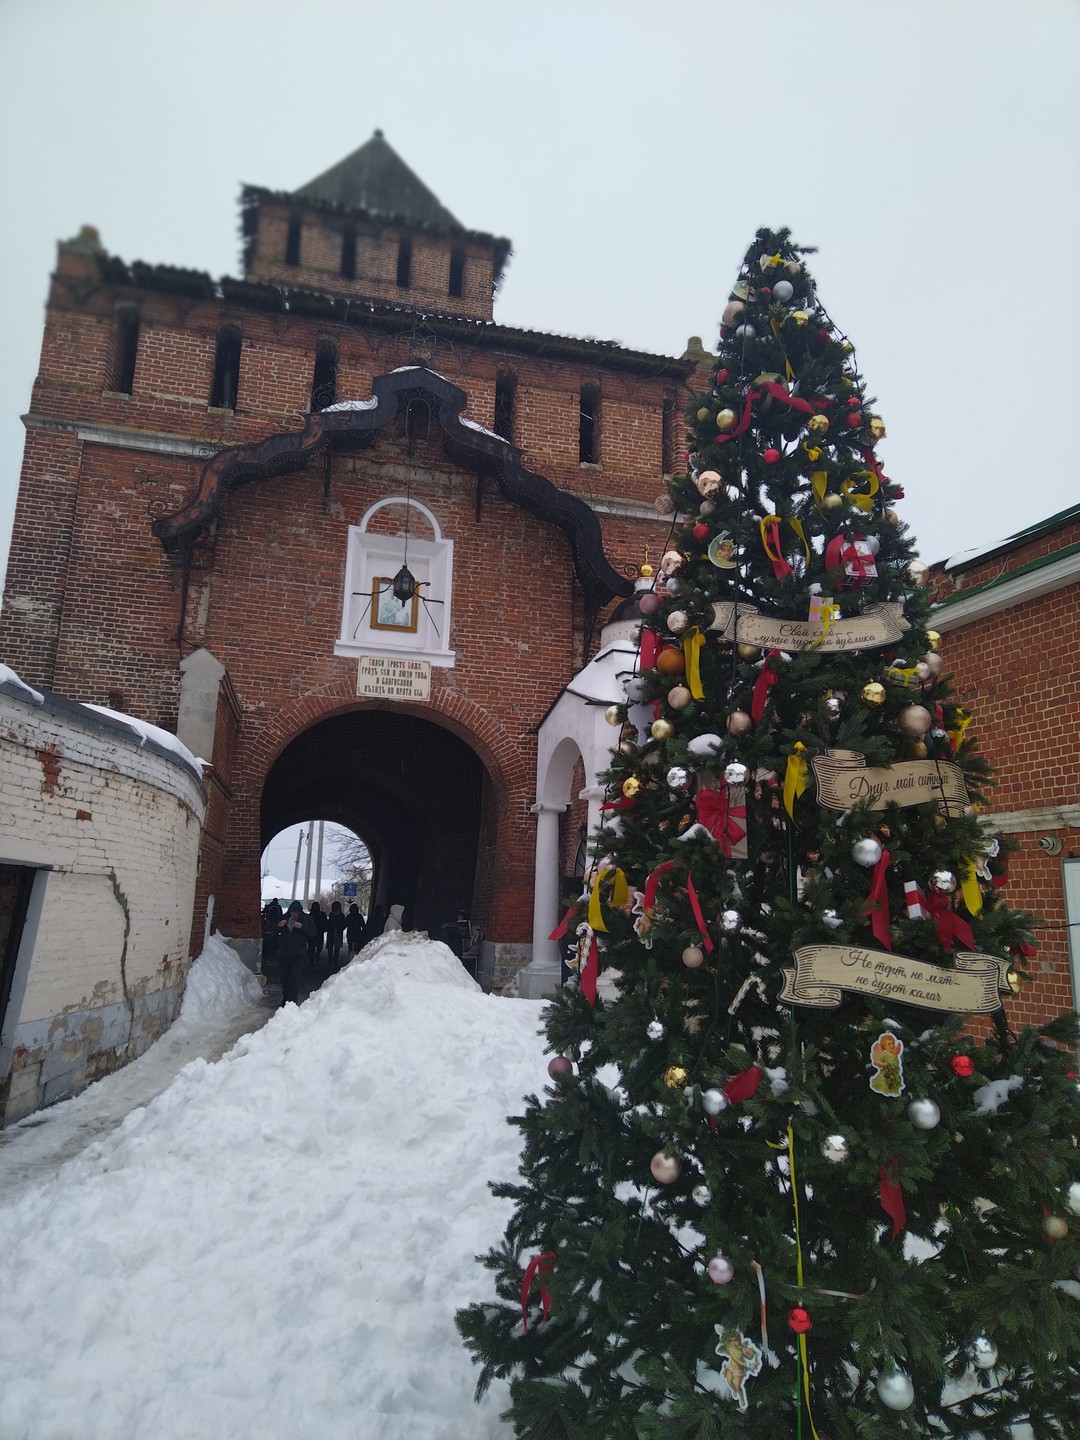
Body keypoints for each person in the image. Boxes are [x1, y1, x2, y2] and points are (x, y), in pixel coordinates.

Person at [277, 900, 314, 1006]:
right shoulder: (284, 918)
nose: (293, 914)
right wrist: (279, 926)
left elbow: (313, 932)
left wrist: (301, 927)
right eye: (292, 912)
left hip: (299, 954)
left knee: (295, 978)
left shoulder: (306, 919)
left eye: (296, 912)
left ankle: (292, 1001)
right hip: (284, 954)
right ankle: (285, 998)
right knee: (284, 978)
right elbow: (273, 931)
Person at [326, 900, 346, 969]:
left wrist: (339, 929)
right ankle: (331, 960)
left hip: (337, 932)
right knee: (330, 947)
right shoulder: (332, 914)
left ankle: (334, 961)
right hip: (332, 932)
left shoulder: (340, 915)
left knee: (336, 948)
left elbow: (344, 924)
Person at [307, 901, 326, 966]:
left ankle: (315, 956)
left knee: (317, 946)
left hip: (318, 932)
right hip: (314, 932)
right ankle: (312, 959)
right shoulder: (310, 915)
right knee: (312, 947)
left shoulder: (320, 915)